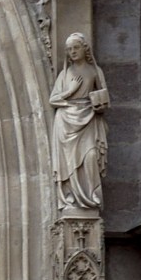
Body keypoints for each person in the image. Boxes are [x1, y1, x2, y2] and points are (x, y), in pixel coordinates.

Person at [49, 32, 109, 211]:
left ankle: (91, 195)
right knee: (69, 162)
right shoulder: (65, 74)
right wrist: (70, 91)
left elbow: (104, 96)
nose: (72, 52)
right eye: (69, 49)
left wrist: (99, 104)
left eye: (76, 48)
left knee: (90, 157)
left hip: (88, 117)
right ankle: (71, 197)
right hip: (66, 121)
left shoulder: (95, 71)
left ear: (85, 48)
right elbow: (53, 100)